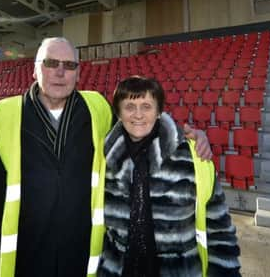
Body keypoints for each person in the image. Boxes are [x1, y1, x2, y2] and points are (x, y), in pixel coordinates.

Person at [0, 38, 212, 277]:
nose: (60, 72)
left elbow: (140, 132)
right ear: (35, 69)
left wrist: (185, 137)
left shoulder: (97, 107)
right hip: (27, 262)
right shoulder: (6, 114)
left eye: (70, 65)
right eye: (51, 63)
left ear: (78, 73)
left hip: (83, 261)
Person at [99, 76, 241, 276]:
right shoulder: (104, 160)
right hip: (118, 270)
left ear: (158, 112)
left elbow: (219, 228)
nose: (138, 114)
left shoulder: (191, 156)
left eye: (146, 106)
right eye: (129, 106)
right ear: (119, 113)